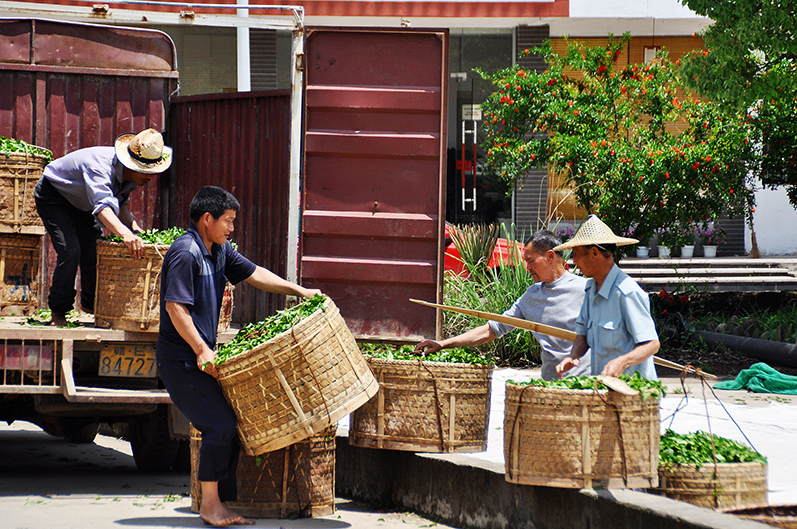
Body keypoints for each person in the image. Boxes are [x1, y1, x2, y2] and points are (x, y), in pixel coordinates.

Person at [156, 186, 321, 527]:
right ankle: (209, 506)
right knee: (219, 424)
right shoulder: (185, 253)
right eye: (228, 221)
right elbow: (175, 307)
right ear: (207, 219)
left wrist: (298, 290)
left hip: (199, 358)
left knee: (229, 424)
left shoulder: (219, 250)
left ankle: (220, 502)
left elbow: (255, 273)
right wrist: (202, 350)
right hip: (181, 361)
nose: (232, 228)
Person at [35, 128, 171, 326]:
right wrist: (126, 235)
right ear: (129, 164)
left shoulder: (132, 178)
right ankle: (58, 312)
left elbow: (121, 208)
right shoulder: (99, 166)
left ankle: (91, 306)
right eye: (145, 171)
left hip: (83, 203)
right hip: (54, 195)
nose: (150, 176)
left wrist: (135, 229)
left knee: (93, 250)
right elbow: (103, 209)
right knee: (70, 251)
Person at [414, 230, 590, 381]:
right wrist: (444, 344)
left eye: (531, 261)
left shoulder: (586, 290)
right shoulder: (532, 296)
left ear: (550, 256)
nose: (527, 267)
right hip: (551, 386)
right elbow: (491, 329)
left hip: (586, 384)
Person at [554, 215, 659, 380]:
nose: (574, 261)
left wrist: (622, 362)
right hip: (603, 390)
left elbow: (652, 344)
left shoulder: (627, 292)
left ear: (594, 253)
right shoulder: (590, 290)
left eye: (577, 253)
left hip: (634, 395)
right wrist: (573, 356)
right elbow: (582, 335)